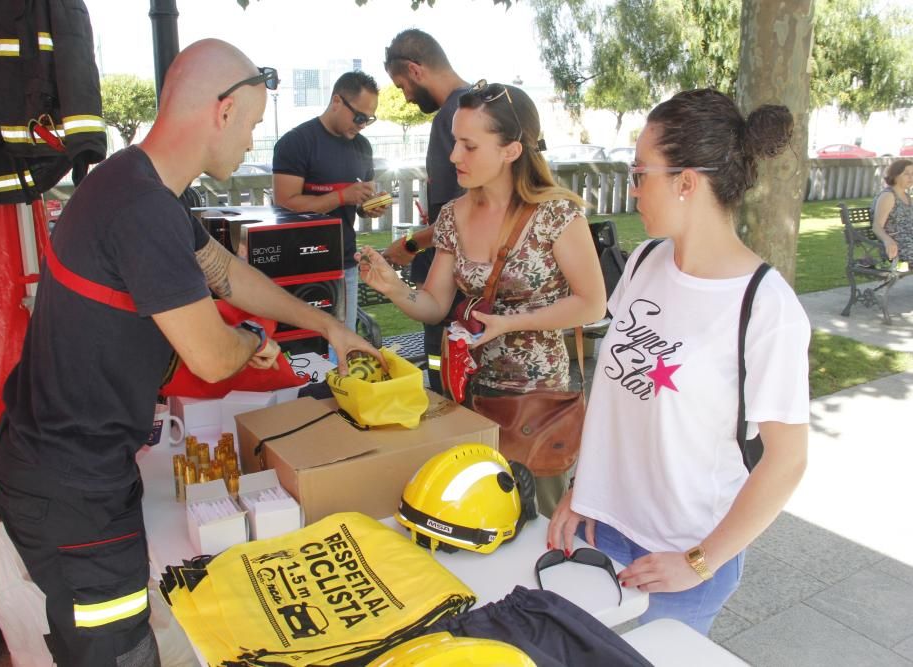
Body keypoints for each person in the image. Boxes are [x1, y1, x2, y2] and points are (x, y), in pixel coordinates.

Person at [0, 39, 380, 667]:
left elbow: (226, 271)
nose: (253, 142)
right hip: (76, 491)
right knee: (117, 652)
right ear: (222, 111)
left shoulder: (135, 183)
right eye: (251, 124)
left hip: (50, 465)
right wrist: (251, 343)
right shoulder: (141, 208)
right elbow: (209, 357)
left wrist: (327, 325)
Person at [547, 89, 810, 635]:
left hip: (680, 559)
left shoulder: (765, 305)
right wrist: (582, 489)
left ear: (687, 182)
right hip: (601, 530)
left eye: (641, 171)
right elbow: (617, 398)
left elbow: (787, 462)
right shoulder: (644, 261)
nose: (633, 186)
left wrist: (701, 561)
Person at [359, 81, 606, 516]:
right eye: (455, 141)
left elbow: (592, 304)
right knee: (476, 515)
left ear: (511, 150)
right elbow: (435, 303)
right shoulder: (453, 215)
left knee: (537, 522)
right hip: (467, 398)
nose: (454, 156)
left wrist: (510, 324)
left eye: (469, 145)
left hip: (534, 407)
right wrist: (393, 286)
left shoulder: (557, 215)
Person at [381, 29, 470, 391]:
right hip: (471, 285)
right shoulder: (483, 105)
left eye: (402, 86)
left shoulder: (455, 115)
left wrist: (410, 245)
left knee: (445, 377)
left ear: (416, 70)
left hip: (458, 292)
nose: (405, 97)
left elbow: (460, 216)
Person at [273, 71, 390, 331]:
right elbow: (284, 204)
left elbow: (358, 203)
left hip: (344, 263)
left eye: (369, 119)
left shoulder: (362, 147)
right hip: (297, 266)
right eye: (359, 117)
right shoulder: (296, 143)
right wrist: (341, 196)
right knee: (301, 346)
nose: (362, 125)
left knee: (342, 347)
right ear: (336, 101)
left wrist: (370, 206)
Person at [871, 158, 913, 262]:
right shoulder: (888, 196)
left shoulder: (907, 197)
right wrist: (888, 241)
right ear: (895, 176)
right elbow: (876, 227)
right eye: (906, 174)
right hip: (897, 246)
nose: (911, 177)